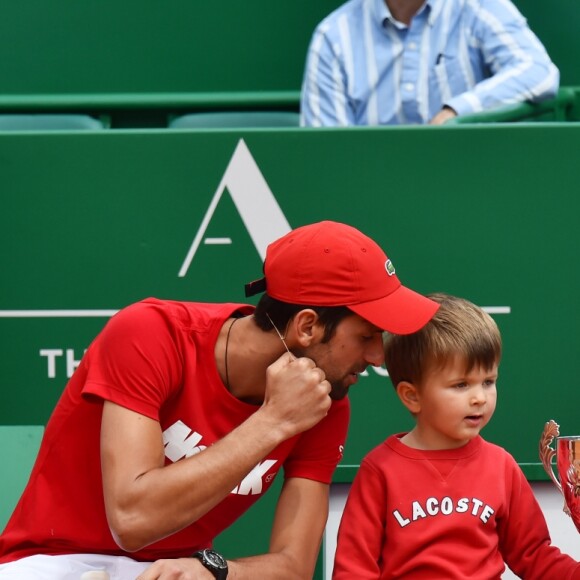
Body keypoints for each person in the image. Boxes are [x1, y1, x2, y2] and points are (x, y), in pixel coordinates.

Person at [0, 220, 439, 579]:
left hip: (170, 575)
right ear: (306, 327)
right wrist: (272, 422)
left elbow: (294, 566)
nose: (378, 355)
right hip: (53, 562)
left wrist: (214, 569)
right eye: (365, 335)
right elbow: (132, 524)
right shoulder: (150, 334)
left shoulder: (325, 399)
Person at [332, 293, 580, 579]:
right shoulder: (379, 471)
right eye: (461, 385)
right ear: (412, 396)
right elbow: (353, 569)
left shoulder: (502, 466)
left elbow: (534, 555)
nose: (479, 398)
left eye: (488, 381)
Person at [300, 0, 560, 126]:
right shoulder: (334, 35)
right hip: (374, 194)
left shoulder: (478, 6)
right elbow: (325, 151)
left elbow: (539, 72)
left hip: (472, 180)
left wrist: (456, 111)